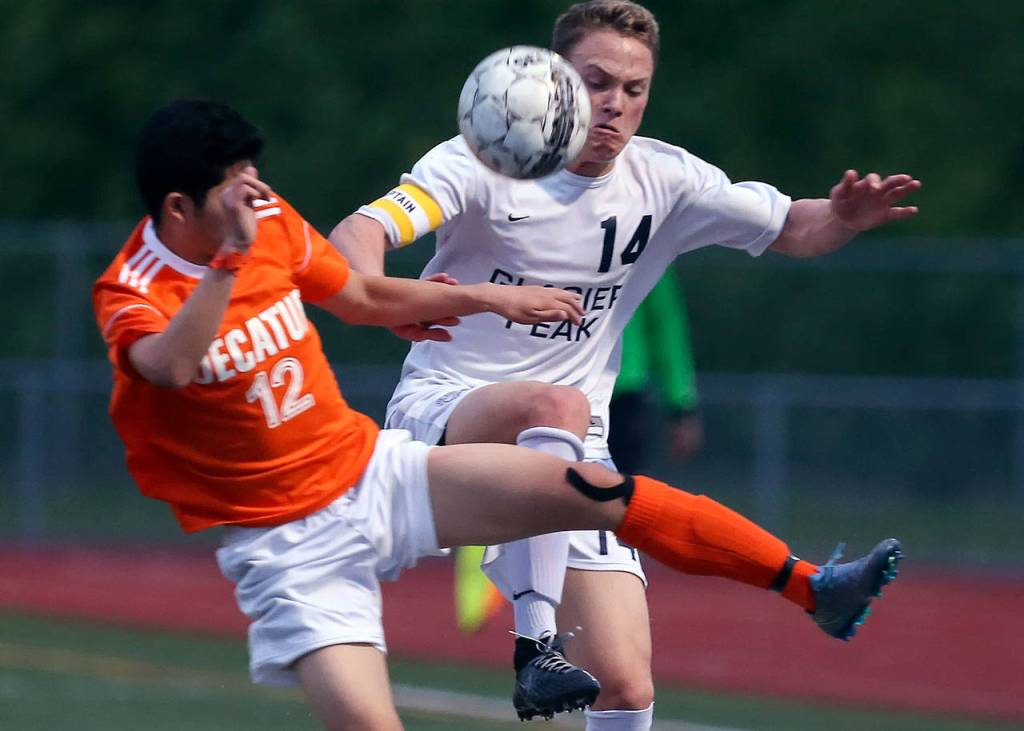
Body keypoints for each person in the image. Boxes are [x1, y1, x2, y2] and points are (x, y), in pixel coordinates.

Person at [95, 98, 903, 731]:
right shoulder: (133, 289)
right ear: (177, 206)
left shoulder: (265, 222)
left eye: (253, 175)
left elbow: (364, 292)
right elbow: (172, 363)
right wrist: (232, 262)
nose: (257, 194)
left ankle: (810, 587)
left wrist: (486, 297)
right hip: (286, 542)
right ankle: (535, 639)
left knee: (595, 487)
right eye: (235, 185)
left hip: (372, 471)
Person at [329, 1, 920, 727]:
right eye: (596, 81)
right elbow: (360, 231)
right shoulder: (482, 159)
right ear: (552, 82)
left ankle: (800, 591)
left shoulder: (665, 179)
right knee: (554, 406)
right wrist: (385, 300)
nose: (615, 103)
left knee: (625, 683)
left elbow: (796, 227)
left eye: (634, 89)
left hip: (574, 441)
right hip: (446, 411)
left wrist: (844, 218)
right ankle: (535, 646)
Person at [609, 269, 702, 474]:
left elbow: (667, 329)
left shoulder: (647, 246)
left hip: (622, 393)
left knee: (618, 492)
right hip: (561, 386)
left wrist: (681, 407)